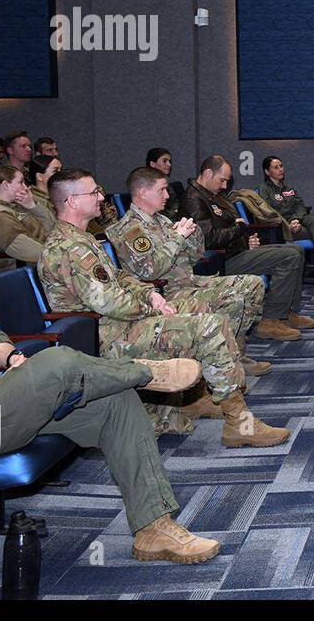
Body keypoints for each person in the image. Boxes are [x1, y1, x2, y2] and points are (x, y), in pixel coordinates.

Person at [0, 208, 219, 564]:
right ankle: (144, 371)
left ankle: (153, 529)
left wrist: (10, 358)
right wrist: (11, 386)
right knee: (55, 361)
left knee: (116, 401)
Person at [38, 168, 289, 448]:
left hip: (119, 323)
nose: (101, 197)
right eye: (93, 192)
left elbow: (120, 279)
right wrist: (152, 308)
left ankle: (221, 411)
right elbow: (109, 302)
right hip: (103, 335)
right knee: (209, 326)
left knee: (212, 321)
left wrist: (150, 295)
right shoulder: (69, 248)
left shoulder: (83, 239)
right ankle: (239, 423)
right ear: (72, 201)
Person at [108, 164, 272, 391]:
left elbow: (194, 256)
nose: (167, 196)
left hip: (189, 281)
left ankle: (235, 353)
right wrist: (176, 238)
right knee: (232, 299)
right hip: (166, 291)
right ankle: (220, 366)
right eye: (162, 190)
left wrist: (193, 236)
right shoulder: (129, 229)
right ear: (143, 193)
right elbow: (150, 271)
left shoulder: (162, 221)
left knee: (253, 283)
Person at [180, 155, 312, 341]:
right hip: (220, 262)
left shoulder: (212, 195)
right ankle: (271, 319)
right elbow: (209, 239)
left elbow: (227, 227)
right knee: (288, 256)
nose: (225, 186)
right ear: (208, 173)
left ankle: (287, 311)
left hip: (235, 252)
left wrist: (245, 240)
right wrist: (240, 229)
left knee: (295, 250)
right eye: (222, 180)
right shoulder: (193, 199)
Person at [258, 155, 314, 287]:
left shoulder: (289, 188)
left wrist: (295, 219)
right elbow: (267, 213)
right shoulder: (263, 190)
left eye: (281, 166)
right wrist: (287, 224)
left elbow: (300, 206)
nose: (280, 169)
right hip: (281, 227)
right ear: (267, 171)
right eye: (275, 167)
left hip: (296, 221)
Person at [0, 166, 57, 266]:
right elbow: (27, 250)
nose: (26, 187)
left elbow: (53, 226)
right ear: (5, 185)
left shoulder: (17, 204)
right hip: (31, 266)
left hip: (48, 254)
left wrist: (32, 206)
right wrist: (62, 254)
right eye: (21, 182)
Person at [146, 148, 180, 219]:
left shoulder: (168, 185)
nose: (169, 164)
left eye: (169, 161)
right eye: (164, 161)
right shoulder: (147, 186)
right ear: (152, 164)